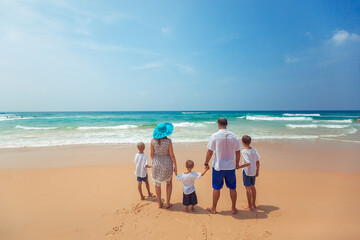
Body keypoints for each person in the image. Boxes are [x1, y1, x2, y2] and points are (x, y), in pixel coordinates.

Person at [204, 118, 241, 214]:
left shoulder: (215, 136)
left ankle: (214, 208)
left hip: (218, 166)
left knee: (216, 188)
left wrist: (206, 163)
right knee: (232, 188)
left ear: (218, 124)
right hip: (230, 166)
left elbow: (209, 152)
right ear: (227, 124)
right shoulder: (234, 136)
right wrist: (237, 163)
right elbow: (238, 152)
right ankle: (233, 208)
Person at [151, 123, 177, 208]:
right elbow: (172, 155)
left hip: (156, 163)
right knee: (169, 183)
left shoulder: (153, 141)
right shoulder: (168, 141)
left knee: (157, 183)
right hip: (167, 163)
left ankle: (159, 203)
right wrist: (175, 165)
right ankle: (168, 203)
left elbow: (151, 154)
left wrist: (154, 162)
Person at [238, 135, 260, 211]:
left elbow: (248, 163)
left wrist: (239, 167)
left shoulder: (243, 151)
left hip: (247, 172)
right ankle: (253, 204)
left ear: (243, 142)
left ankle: (249, 206)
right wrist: (257, 171)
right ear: (250, 142)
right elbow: (257, 161)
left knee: (247, 189)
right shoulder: (254, 150)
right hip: (253, 171)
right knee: (253, 187)